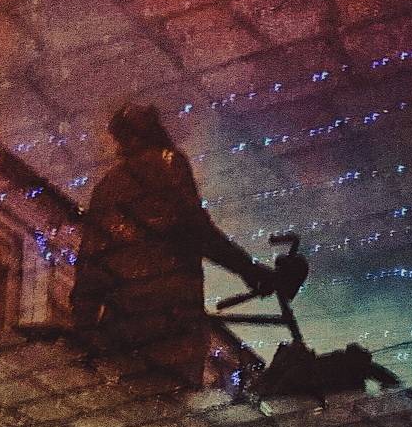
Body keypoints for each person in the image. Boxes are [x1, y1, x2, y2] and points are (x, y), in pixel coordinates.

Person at [71, 102, 276, 386]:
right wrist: (248, 269)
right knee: (171, 395)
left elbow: (90, 258)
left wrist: (84, 325)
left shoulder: (107, 186)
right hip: (170, 313)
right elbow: (195, 228)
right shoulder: (167, 162)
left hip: (121, 319)